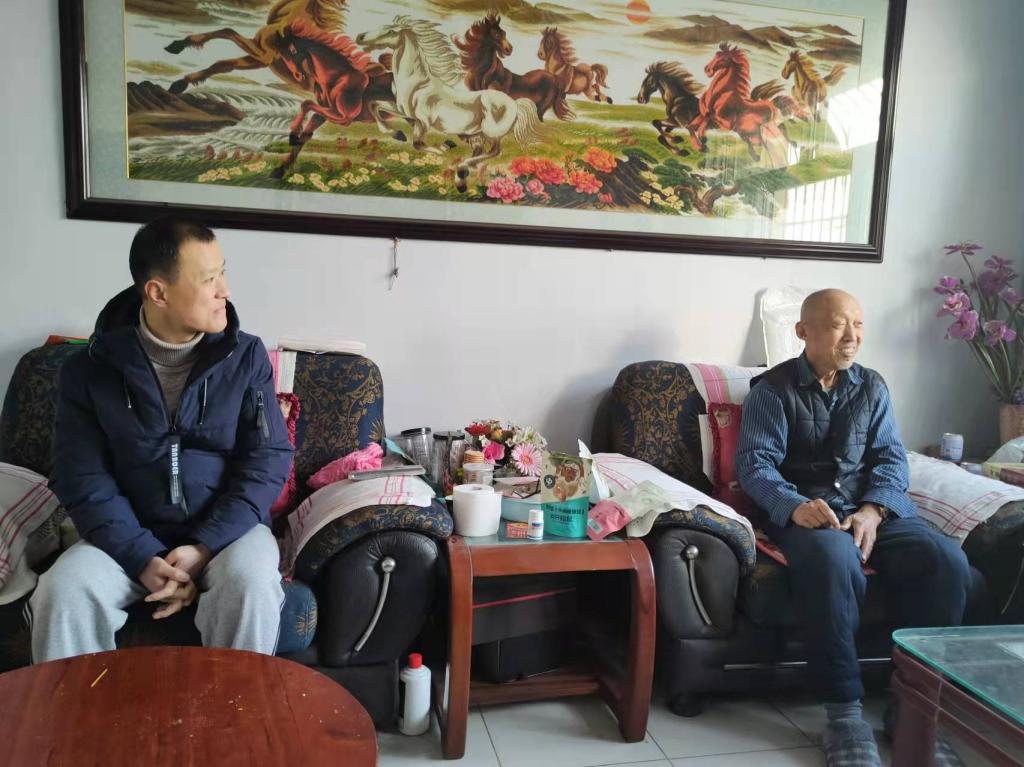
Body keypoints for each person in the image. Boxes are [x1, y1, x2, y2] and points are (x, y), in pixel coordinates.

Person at [30, 217, 293, 661]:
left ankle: (237, 708)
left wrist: (203, 546)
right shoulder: (88, 371)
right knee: (63, 589)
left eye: (223, 273)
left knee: (250, 582)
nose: (225, 290)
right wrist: (142, 556)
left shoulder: (246, 357)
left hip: (228, 536)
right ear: (158, 293)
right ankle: (75, 710)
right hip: (126, 536)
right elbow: (81, 476)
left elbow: (267, 460)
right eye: (209, 279)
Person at [735, 289, 971, 766]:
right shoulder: (772, 391)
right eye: (839, 324)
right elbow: (755, 465)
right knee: (833, 559)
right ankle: (844, 715)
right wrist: (793, 505)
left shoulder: (873, 387)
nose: (852, 336)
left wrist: (873, 510)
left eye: (858, 324)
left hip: (870, 511)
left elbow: (891, 460)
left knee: (945, 561)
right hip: (810, 514)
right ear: (803, 331)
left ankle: (914, 710)